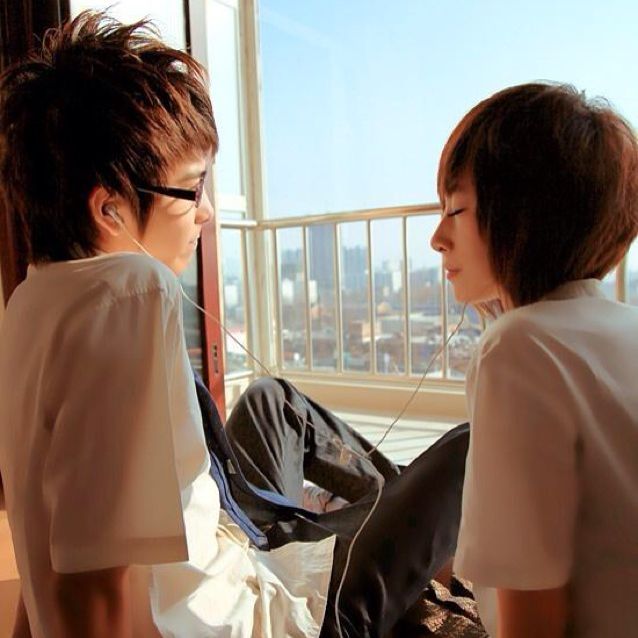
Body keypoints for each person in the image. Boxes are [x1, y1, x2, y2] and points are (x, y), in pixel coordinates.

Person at [0, 12, 470, 638]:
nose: (207, 212)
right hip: (264, 619)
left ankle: (380, 519)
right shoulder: (130, 292)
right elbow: (95, 585)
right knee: (470, 447)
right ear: (109, 208)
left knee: (279, 407)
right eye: (191, 190)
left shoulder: (32, 300)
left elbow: (46, 551)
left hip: (245, 561)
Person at [430, 82, 638, 637]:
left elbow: (534, 623)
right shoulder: (624, 326)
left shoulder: (519, 348)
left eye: (455, 209)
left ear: (523, 214)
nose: (437, 237)